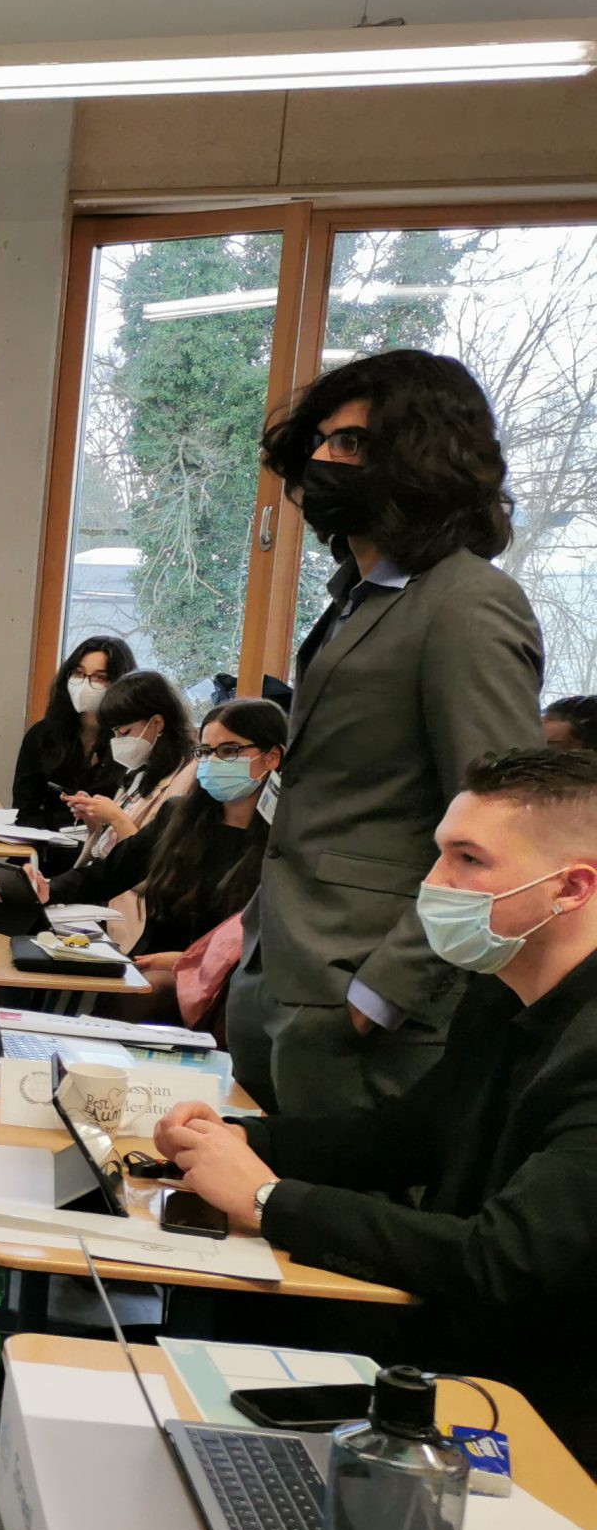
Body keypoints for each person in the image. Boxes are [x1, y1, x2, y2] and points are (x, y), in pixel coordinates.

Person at [158, 747, 597, 1463]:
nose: (432, 884)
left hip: (540, 1402)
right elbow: (406, 1132)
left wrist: (268, 1199)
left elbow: (505, 1259)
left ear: (571, 888)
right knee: (211, 1311)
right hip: (455, 1341)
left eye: (467, 860)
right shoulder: (501, 990)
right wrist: (238, 1139)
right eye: (438, 854)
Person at [231, 348, 542, 1117]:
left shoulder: (467, 604)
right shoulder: (358, 598)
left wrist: (381, 994)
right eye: (318, 443)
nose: (322, 462)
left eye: (349, 443)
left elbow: (508, 831)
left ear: (424, 458)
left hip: (367, 1007)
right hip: (284, 976)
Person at [38, 699, 286, 1000]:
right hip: (150, 964)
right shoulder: (178, 816)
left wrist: (192, 960)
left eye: (229, 751)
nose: (213, 761)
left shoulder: (287, 842)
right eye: (206, 751)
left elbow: (273, 940)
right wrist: (48, 889)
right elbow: (110, 873)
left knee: (145, 994)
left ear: (272, 756)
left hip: (231, 983)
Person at [59, 669, 196, 863]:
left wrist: (114, 817)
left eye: (124, 732)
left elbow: (153, 861)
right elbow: (106, 848)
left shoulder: (188, 778)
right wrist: (94, 818)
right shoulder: (140, 771)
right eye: (114, 733)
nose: (117, 741)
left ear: (157, 723)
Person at [10, 633, 135, 831]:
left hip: (104, 844)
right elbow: (24, 809)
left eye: (100, 677)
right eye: (79, 673)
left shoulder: (132, 740)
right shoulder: (43, 734)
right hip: (45, 843)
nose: (85, 683)